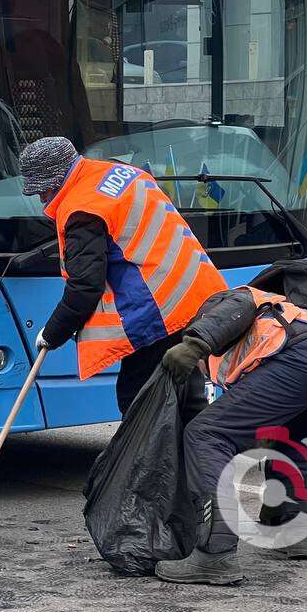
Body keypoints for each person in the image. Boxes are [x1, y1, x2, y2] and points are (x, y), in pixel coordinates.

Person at [153, 285, 307, 585]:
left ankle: (215, 554)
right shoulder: (279, 317)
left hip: (305, 356)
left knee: (206, 433)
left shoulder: (235, 303)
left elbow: (239, 302)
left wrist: (193, 344)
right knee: (296, 434)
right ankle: (296, 530)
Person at [18, 136, 228, 415]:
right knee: (186, 396)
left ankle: (150, 460)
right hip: (196, 293)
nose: (42, 199)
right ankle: (195, 455)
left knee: (136, 401)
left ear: (56, 179)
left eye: (42, 191)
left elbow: (84, 287)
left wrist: (53, 333)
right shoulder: (120, 173)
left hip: (160, 309)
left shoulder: (82, 208)